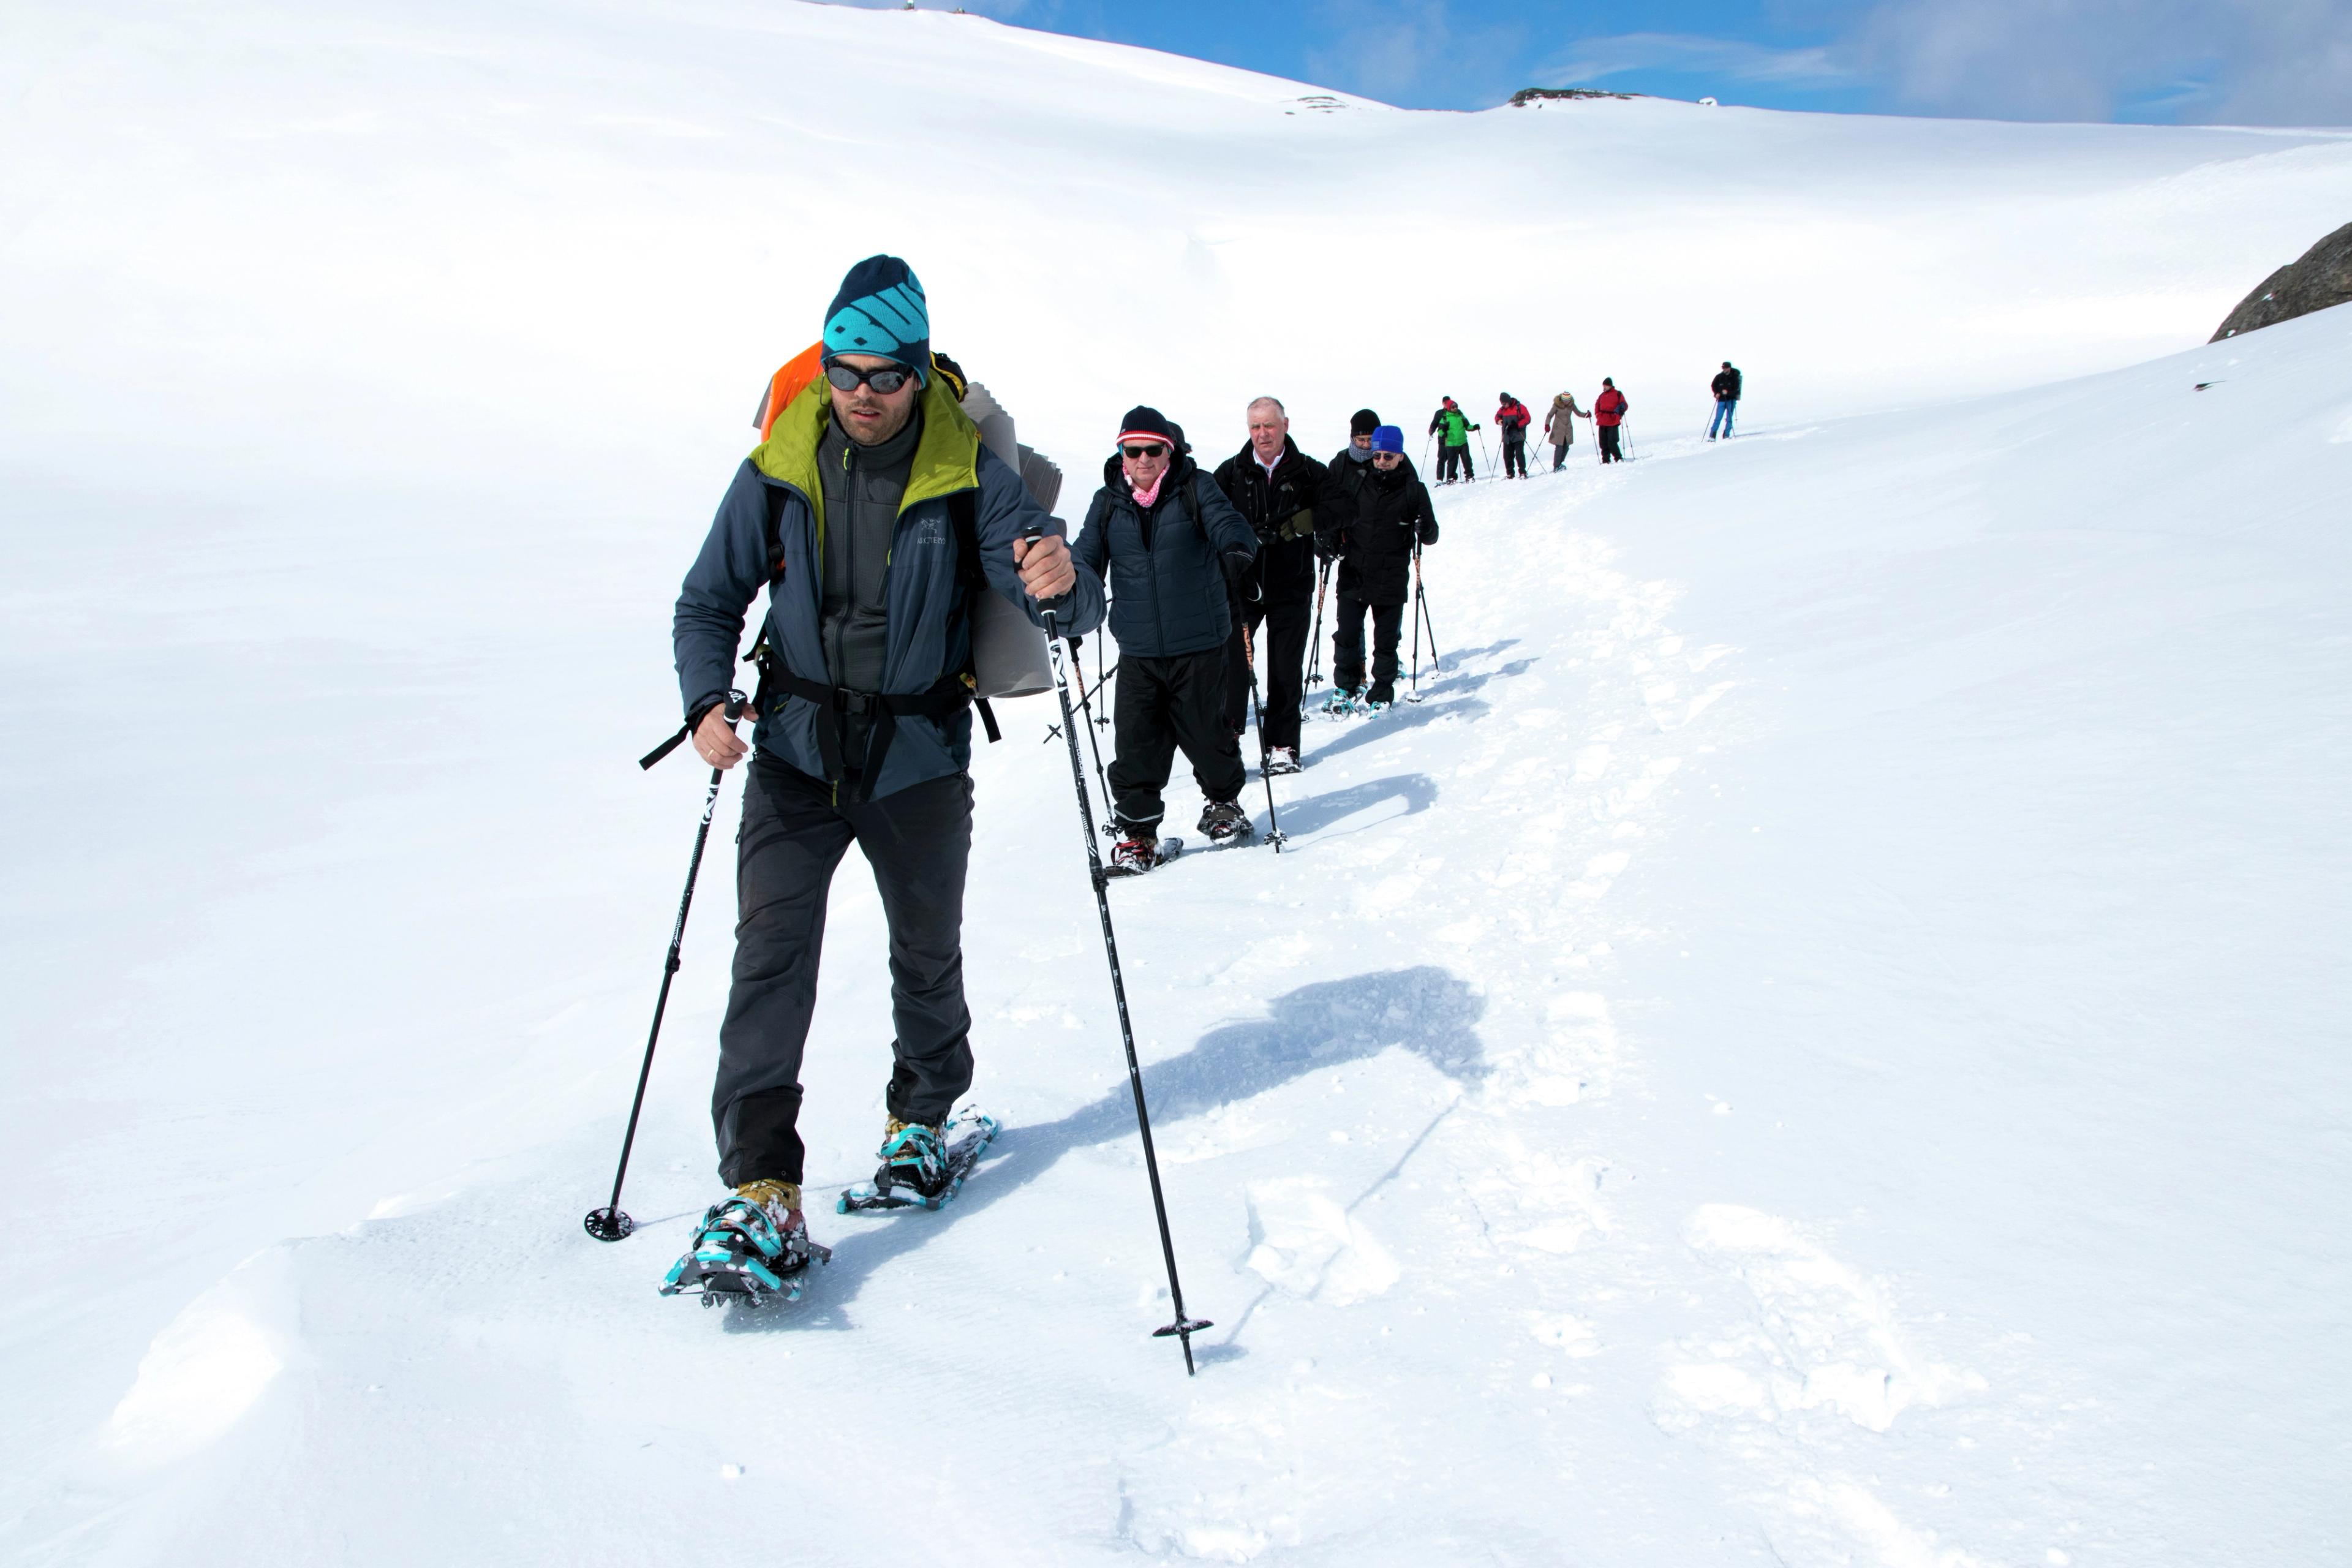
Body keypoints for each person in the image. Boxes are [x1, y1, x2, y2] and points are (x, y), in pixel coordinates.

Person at [669, 255, 1103, 1285]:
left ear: (919, 375)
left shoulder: (970, 473)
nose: (861, 394)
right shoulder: (777, 463)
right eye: (844, 370)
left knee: (924, 952)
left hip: (917, 758)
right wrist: (702, 701)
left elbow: (1062, 605)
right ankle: (761, 1185)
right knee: (769, 960)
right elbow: (707, 600)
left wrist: (1063, 577)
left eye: (884, 376)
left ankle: (921, 1119)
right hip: (793, 754)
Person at [1071, 407, 1261, 873]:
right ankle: (1138, 835)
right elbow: (1085, 559)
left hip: (1199, 642)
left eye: (1152, 450)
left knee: (1207, 735)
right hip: (1138, 649)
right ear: (1121, 454)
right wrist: (1068, 598)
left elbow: (1228, 524)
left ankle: (1223, 805)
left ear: (1168, 452)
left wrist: (1238, 550)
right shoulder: (1108, 502)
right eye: (1132, 450)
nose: (1142, 459)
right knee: (1135, 746)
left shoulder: (1197, 488)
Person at [1213, 397, 1324, 777]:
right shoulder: (1231, 473)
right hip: (1243, 586)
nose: (1262, 434)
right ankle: (1227, 740)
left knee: (1284, 668)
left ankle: (1282, 745)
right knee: (1231, 663)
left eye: (1269, 426)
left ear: (1285, 426)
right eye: (1255, 427)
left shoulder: (1308, 471)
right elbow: (1203, 517)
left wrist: (1312, 519)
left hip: (1292, 587)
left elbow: (1346, 505)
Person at [1317, 424, 1438, 711]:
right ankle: (1346, 687)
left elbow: (1431, 536)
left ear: (1400, 457)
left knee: (1385, 642)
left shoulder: (1414, 491)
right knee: (1346, 635)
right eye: (1377, 455)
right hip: (1354, 572)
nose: (1382, 461)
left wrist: (1425, 527)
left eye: (1388, 455)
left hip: (1391, 576)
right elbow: (1338, 519)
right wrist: (1326, 540)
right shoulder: (1357, 483)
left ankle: (1381, 693)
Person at [1430, 398, 1479, 483]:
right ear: (1449, 408)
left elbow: (1467, 426)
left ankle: (1469, 475)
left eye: (1456, 406)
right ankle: (1451, 478)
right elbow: (1440, 432)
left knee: (1467, 460)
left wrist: (1474, 427)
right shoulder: (1445, 418)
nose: (1455, 408)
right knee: (1452, 462)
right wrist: (1444, 431)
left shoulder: (1460, 415)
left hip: (1463, 442)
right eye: (1453, 407)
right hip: (1451, 444)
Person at [1542, 390, 1588, 470]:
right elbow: (1550, 415)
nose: (1566, 402)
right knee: (1559, 447)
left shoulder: (1571, 405)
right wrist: (1547, 424)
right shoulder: (1557, 405)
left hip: (1568, 429)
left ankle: (1560, 463)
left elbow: (1578, 413)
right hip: (1558, 430)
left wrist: (1586, 415)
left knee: (1566, 447)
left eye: (1568, 400)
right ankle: (1556, 466)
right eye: (1565, 400)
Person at [1494, 391, 1534, 478]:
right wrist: (1499, 421)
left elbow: (1528, 418)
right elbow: (1497, 417)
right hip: (1507, 436)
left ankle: (1523, 473)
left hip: (1518, 435)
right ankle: (1510, 474)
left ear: (1508, 401)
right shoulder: (1502, 409)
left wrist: (1518, 424)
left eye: (1504, 403)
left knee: (1519, 455)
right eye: (1502, 403)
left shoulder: (1519, 407)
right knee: (1507, 456)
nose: (1503, 405)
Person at [1594, 378, 1629, 464]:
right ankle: (1606, 460)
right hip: (1602, 421)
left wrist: (1620, 413)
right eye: (1603, 386)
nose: (1604, 388)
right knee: (1603, 443)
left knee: (1612, 442)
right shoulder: (1602, 396)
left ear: (1610, 385)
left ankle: (1618, 458)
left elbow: (1624, 405)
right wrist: (1597, 415)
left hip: (1613, 421)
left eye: (1605, 386)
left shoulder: (1618, 394)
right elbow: (1597, 406)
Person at [1709, 361, 1742, 439]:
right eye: (1723, 368)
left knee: (1729, 419)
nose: (1724, 369)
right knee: (1718, 418)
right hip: (1721, 400)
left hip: (1731, 400)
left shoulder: (1734, 378)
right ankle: (1713, 435)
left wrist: (1728, 393)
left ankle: (1726, 434)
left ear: (1729, 368)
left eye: (1725, 368)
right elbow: (1713, 385)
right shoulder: (1719, 377)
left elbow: (1736, 390)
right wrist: (1716, 393)